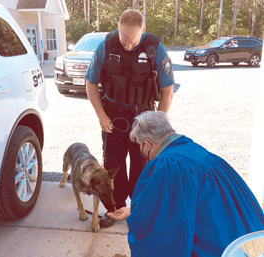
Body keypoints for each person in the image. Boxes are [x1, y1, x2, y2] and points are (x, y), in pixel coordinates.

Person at [107, 111, 264, 256]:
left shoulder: (168, 164)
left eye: (141, 147)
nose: (142, 153)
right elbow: (178, 205)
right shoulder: (194, 150)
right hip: (242, 241)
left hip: (216, 249)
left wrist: (138, 218)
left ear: (148, 144)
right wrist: (133, 211)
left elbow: (168, 228)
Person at [85, 9, 175, 228]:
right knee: (112, 166)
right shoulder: (106, 46)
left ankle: (139, 210)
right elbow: (90, 83)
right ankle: (114, 210)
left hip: (143, 120)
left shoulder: (155, 49)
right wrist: (101, 115)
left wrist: (157, 124)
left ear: (143, 30)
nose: (127, 46)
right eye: (123, 39)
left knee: (141, 168)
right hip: (113, 119)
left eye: (132, 41)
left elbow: (167, 91)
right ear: (118, 28)